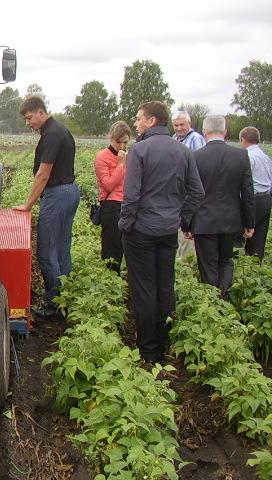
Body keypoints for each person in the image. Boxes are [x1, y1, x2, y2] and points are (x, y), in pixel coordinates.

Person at [119, 101, 204, 363]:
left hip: (141, 231)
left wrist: (125, 224)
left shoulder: (140, 150)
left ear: (152, 120)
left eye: (139, 119)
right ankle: (164, 341)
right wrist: (181, 218)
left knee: (144, 288)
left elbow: (131, 195)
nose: (136, 123)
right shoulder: (183, 151)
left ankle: (148, 349)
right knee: (165, 286)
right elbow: (197, 192)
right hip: (168, 231)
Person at [14, 96, 80, 320]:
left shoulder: (52, 134)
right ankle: (64, 298)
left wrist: (28, 204)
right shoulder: (59, 130)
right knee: (62, 249)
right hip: (70, 191)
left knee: (46, 251)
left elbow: (43, 174)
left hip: (58, 194)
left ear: (41, 112)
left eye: (29, 117)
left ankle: (53, 305)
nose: (27, 122)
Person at [185, 116, 254, 298]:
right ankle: (223, 299)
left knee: (207, 264)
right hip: (231, 221)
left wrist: (186, 224)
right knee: (226, 259)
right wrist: (249, 223)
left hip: (204, 221)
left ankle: (212, 301)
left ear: (204, 133)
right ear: (225, 132)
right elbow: (247, 193)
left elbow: (190, 193)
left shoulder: (196, 157)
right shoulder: (240, 156)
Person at [94, 121, 132, 274]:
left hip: (128, 203)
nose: (122, 146)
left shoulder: (132, 156)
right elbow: (108, 185)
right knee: (112, 247)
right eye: (118, 142)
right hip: (111, 205)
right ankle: (111, 278)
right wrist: (121, 164)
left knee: (129, 246)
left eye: (125, 142)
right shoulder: (102, 157)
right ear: (111, 139)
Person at [172, 111, 206, 258]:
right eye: (176, 125)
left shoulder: (195, 139)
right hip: (176, 196)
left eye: (182, 125)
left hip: (189, 196)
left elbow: (198, 171)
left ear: (189, 124)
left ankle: (187, 272)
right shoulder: (174, 139)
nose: (179, 128)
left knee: (188, 241)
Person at [240, 126, 272, 259]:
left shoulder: (247, 156)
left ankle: (240, 263)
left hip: (252, 199)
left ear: (243, 139)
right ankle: (256, 262)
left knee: (242, 233)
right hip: (266, 198)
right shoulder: (265, 157)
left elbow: (244, 182)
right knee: (259, 236)